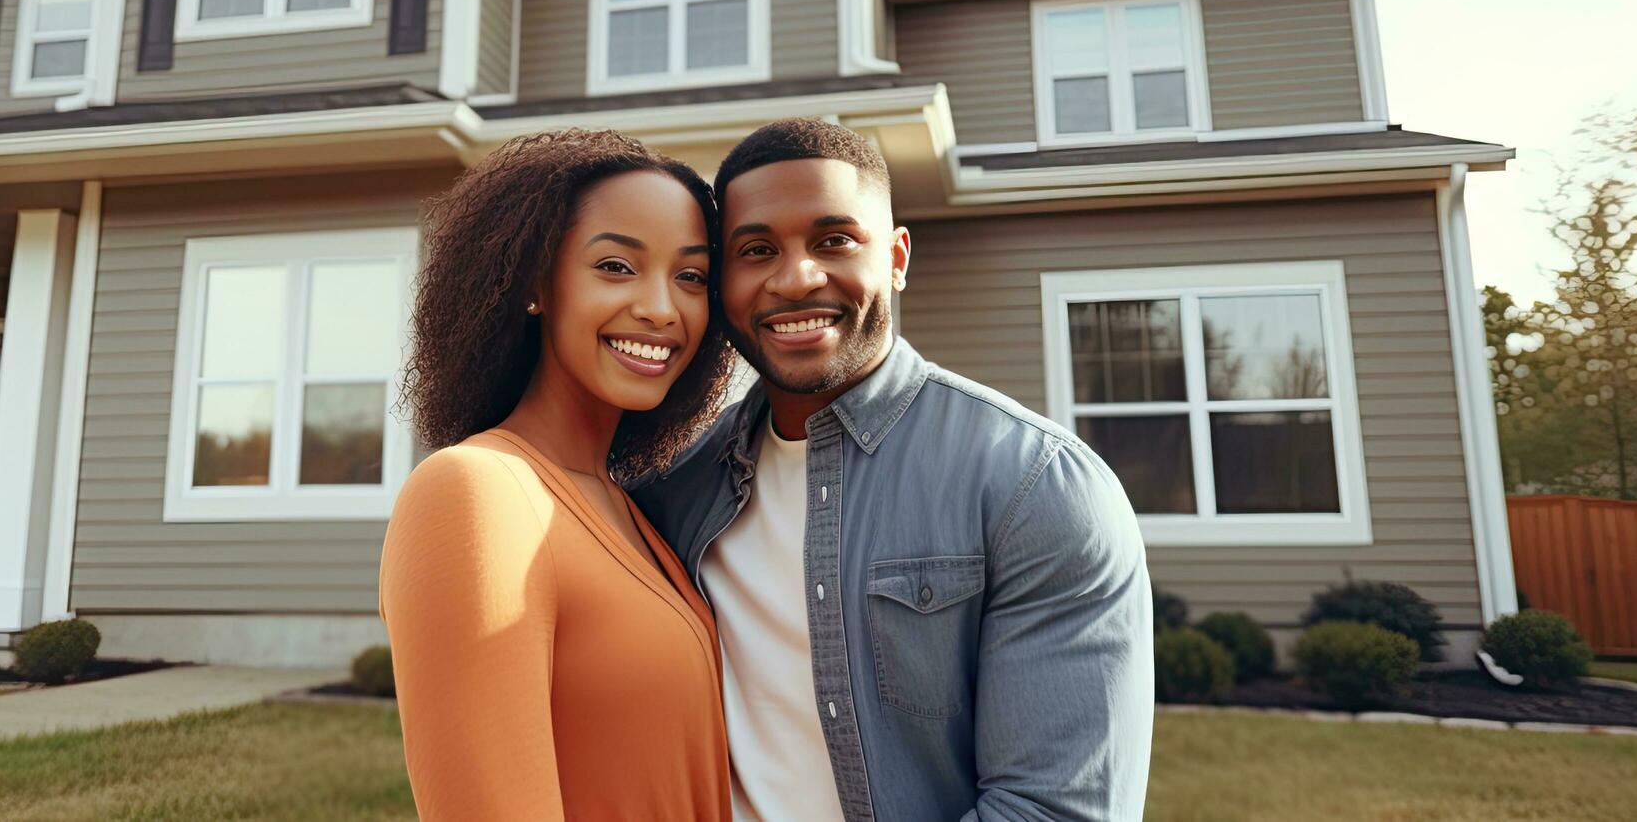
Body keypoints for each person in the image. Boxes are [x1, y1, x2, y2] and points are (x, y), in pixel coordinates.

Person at [631, 118, 1155, 821]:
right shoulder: (674, 488)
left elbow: (1052, 809)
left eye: (834, 240)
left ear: (897, 257)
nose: (795, 278)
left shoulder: (1034, 486)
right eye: (756, 250)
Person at [379, 129, 736, 821]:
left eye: (690, 276)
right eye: (615, 266)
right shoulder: (475, 492)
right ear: (536, 282)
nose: (662, 308)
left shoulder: (626, 505)